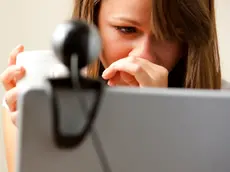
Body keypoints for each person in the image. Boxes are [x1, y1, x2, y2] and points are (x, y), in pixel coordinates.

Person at [1, 0, 229, 171]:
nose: (145, 54)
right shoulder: (39, 99)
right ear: (92, 20)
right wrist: (39, 141)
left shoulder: (222, 109)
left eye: (170, 34)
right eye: (127, 29)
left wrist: (158, 119)